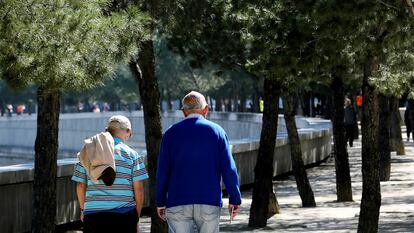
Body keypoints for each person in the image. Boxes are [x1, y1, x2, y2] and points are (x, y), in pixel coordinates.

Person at [156, 91, 242, 233]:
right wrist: (235, 198)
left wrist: (160, 201)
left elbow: (163, 171)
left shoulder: (170, 133)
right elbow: (229, 169)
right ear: (206, 109)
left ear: (184, 111)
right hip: (209, 200)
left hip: (177, 201)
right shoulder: (217, 132)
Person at [72, 115, 148, 233]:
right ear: (128, 131)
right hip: (124, 214)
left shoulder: (88, 152)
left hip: (93, 215)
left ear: (107, 130)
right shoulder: (132, 155)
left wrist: (83, 210)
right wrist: (135, 218)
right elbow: (138, 190)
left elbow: (80, 186)